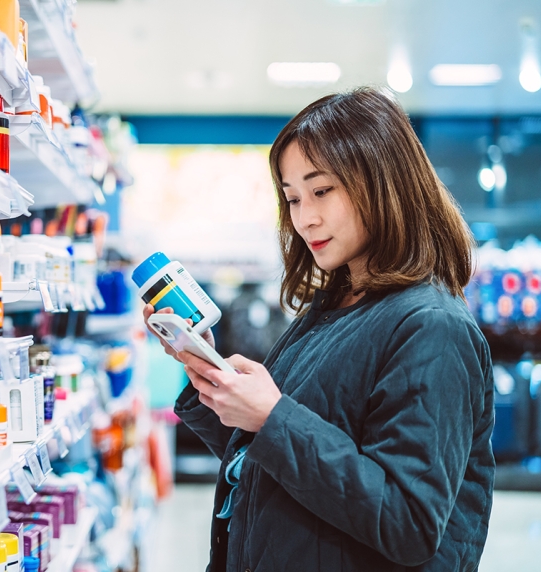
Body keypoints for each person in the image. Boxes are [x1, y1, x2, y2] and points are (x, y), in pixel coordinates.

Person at [144, 87, 495, 571]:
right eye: (292, 198)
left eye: (322, 190)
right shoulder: (332, 307)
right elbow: (269, 464)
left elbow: (410, 524)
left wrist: (273, 417)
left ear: (382, 181)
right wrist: (209, 374)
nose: (304, 218)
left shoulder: (432, 329)